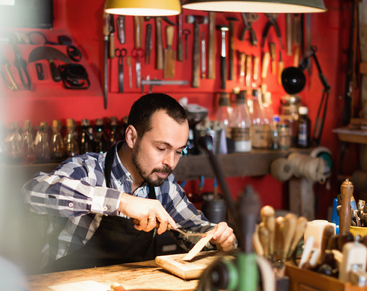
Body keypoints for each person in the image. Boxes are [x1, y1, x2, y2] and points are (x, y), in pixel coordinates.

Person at [22, 93, 235, 273]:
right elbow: (32, 192)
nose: (170, 162)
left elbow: (195, 230)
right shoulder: (88, 169)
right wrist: (121, 201)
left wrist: (219, 238)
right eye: (161, 148)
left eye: (178, 151)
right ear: (132, 137)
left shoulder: (164, 185)